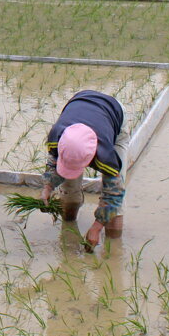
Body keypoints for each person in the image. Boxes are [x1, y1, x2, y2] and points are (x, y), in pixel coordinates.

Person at [40, 91, 129, 249]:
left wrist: (96, 227)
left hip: (114, 114)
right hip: (80, 102)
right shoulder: (57, 138)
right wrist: (47, 187)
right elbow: (53, 163)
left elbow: (114, 196)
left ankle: (113, 250)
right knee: (69, 196)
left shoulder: (107, 155)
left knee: (115, 216)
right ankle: (69, 237)